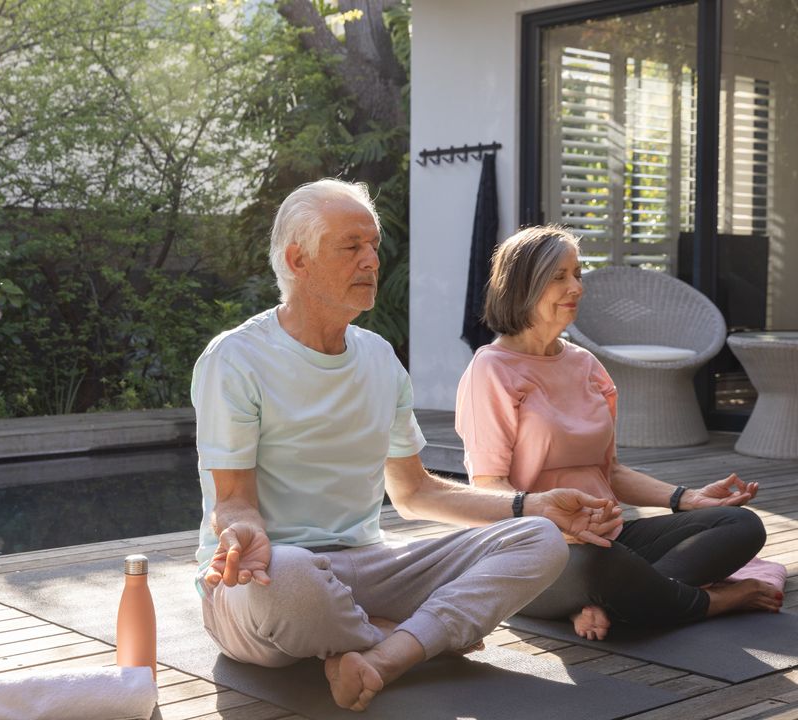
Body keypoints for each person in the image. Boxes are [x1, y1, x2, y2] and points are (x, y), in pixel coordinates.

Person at [190, 180, 622, 712]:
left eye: (374, 245)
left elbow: (415, 492)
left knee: (539, 539)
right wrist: (244, 534)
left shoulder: (378, 358)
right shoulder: (234, 358)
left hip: (366, 566)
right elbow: (233, 499)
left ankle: (382, 652)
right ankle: (414, 639)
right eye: (352, 247)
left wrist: (531, 505)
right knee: (294, 575)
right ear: (298, 260)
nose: (372, 260)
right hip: (263, 580)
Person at [455, 224, 783, 642]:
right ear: (521, 286)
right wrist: (559, 527)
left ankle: (611, 601)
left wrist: (686, 499)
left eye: (576, 273)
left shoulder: (586, 365)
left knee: (741, 525)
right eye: (559, 276)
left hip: (611, 539)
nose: (576, 286)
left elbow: (610, 470)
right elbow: (488, 487)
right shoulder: (491, 370)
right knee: (600, 566)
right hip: (538, 550)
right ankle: (713, 601)